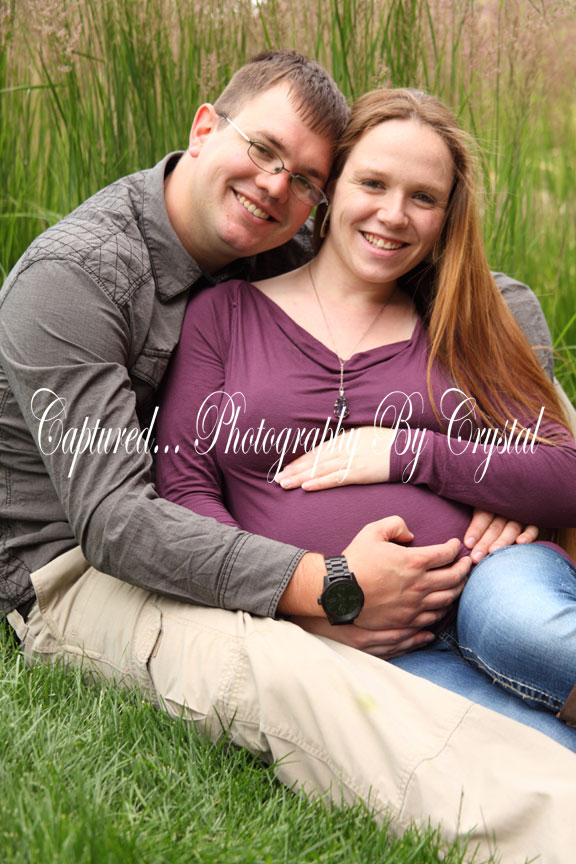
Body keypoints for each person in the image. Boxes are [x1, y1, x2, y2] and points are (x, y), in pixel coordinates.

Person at [1, 52, 575, 863]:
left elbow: (488, 292)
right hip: (82, 568)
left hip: (453, 575)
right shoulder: (77, 279)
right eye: (262, 150)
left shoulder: (276, 234)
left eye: (305, 177)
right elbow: (120, 522)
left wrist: (493, 477)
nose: (276, 187)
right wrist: (329, 589)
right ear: (205, 127)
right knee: (304, 679)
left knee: (522, 614)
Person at [154, 86, 576, 752]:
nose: (393, 215)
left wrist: (409, 452)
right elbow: (185, 488)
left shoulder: (461, 321)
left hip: (493, 582)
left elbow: (564, 471)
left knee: (519, 629)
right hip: (371, 642)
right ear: (330, 187)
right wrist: (307, 600)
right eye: (373, 183)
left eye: (424, 198)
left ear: (446, 217)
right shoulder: (225, 316)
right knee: (529, 752)